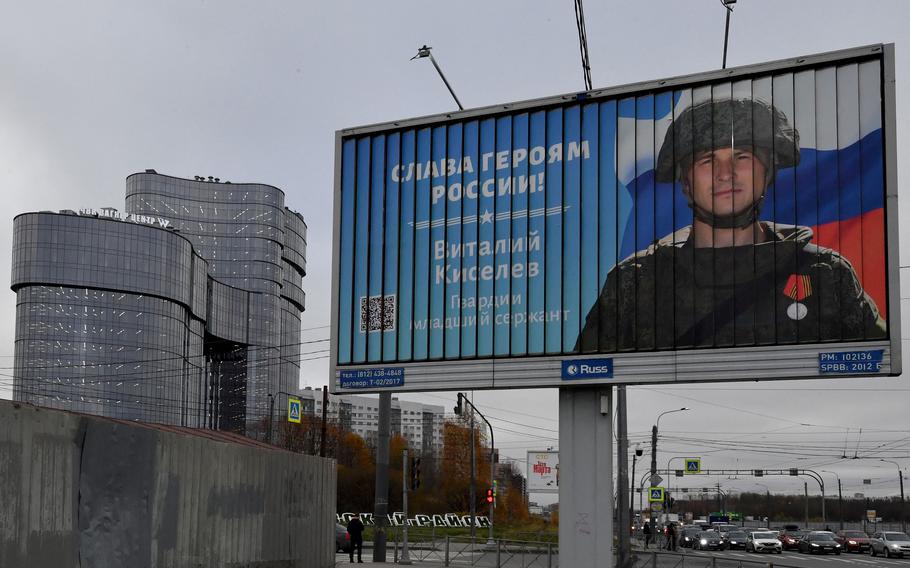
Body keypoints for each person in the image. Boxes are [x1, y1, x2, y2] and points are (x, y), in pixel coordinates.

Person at [576, 97, 885, 352]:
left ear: (767, 171)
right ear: (686, 181)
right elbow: (584, 372)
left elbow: (876, 360)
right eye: (707, 161)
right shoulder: (635, 282)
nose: (726, 173)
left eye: (742, 157)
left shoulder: (825, 275)